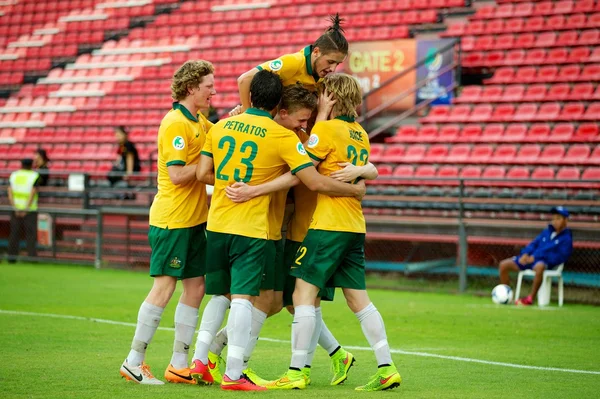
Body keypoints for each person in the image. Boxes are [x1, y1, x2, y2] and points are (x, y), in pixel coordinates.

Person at [191, 70, 365, 391]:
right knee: (258, 300)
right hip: (260, 229)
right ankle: (232, 370)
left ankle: (203, 358)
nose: (304, 125)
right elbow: (309, 178)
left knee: (241, 297)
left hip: (221, 223)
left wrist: (237, 185)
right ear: (279, 109)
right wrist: (356, 188)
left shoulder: (221, 126)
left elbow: (203, 173)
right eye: (300, 119)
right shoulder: (281, 137)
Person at [266, 73, 401, 391]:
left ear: (334, 98)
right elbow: (363, 173)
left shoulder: (324, 130)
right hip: (355, 226)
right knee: (359, 300)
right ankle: (386, 367)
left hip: (327, 226)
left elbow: (303, 170)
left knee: (302, 295)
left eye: (325, 94)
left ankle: (297, 371)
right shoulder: (361, 134)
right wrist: (369, 170)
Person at [119, 60, 216, 385]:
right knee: (164, 287)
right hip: (172, 220)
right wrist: (204, 169)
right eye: (208, 87)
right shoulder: (175, 123)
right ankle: (134, 360)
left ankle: (178, 363)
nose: (213, 92)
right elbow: (176, 175)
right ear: (191, 88)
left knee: (196, 287)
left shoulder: (201, 122)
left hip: (193, 221)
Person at [237, 14, 348, 111]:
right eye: (330, 61)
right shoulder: (294, 62)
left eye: (337, 64)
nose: (333, 69)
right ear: (316, 52)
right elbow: (244, 80)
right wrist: (248, 113)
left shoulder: (321, 78)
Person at [499, 206, 573, 306]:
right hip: (530, 260)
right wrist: (525, 254)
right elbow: (533, 244)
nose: (555, 221)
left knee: (539, 267)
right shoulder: (546, 232)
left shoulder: (566, 239)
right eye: (553, 218)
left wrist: (537, 258)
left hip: (544, 263)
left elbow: (560, 257)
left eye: (558, 219)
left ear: (565, 220)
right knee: (504, 265)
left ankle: (530, 298)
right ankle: (507, 295)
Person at [7, 158, 40, 263]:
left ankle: (11, 257)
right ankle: (31, 258)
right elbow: (33, 192)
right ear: (31, 165)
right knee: (30, 234)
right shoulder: (34, 176)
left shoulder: (14, 175)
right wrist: (26, 208)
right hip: (30, 210)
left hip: (15, 209)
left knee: (14, 234)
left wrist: (14, 207)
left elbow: (9, 191)